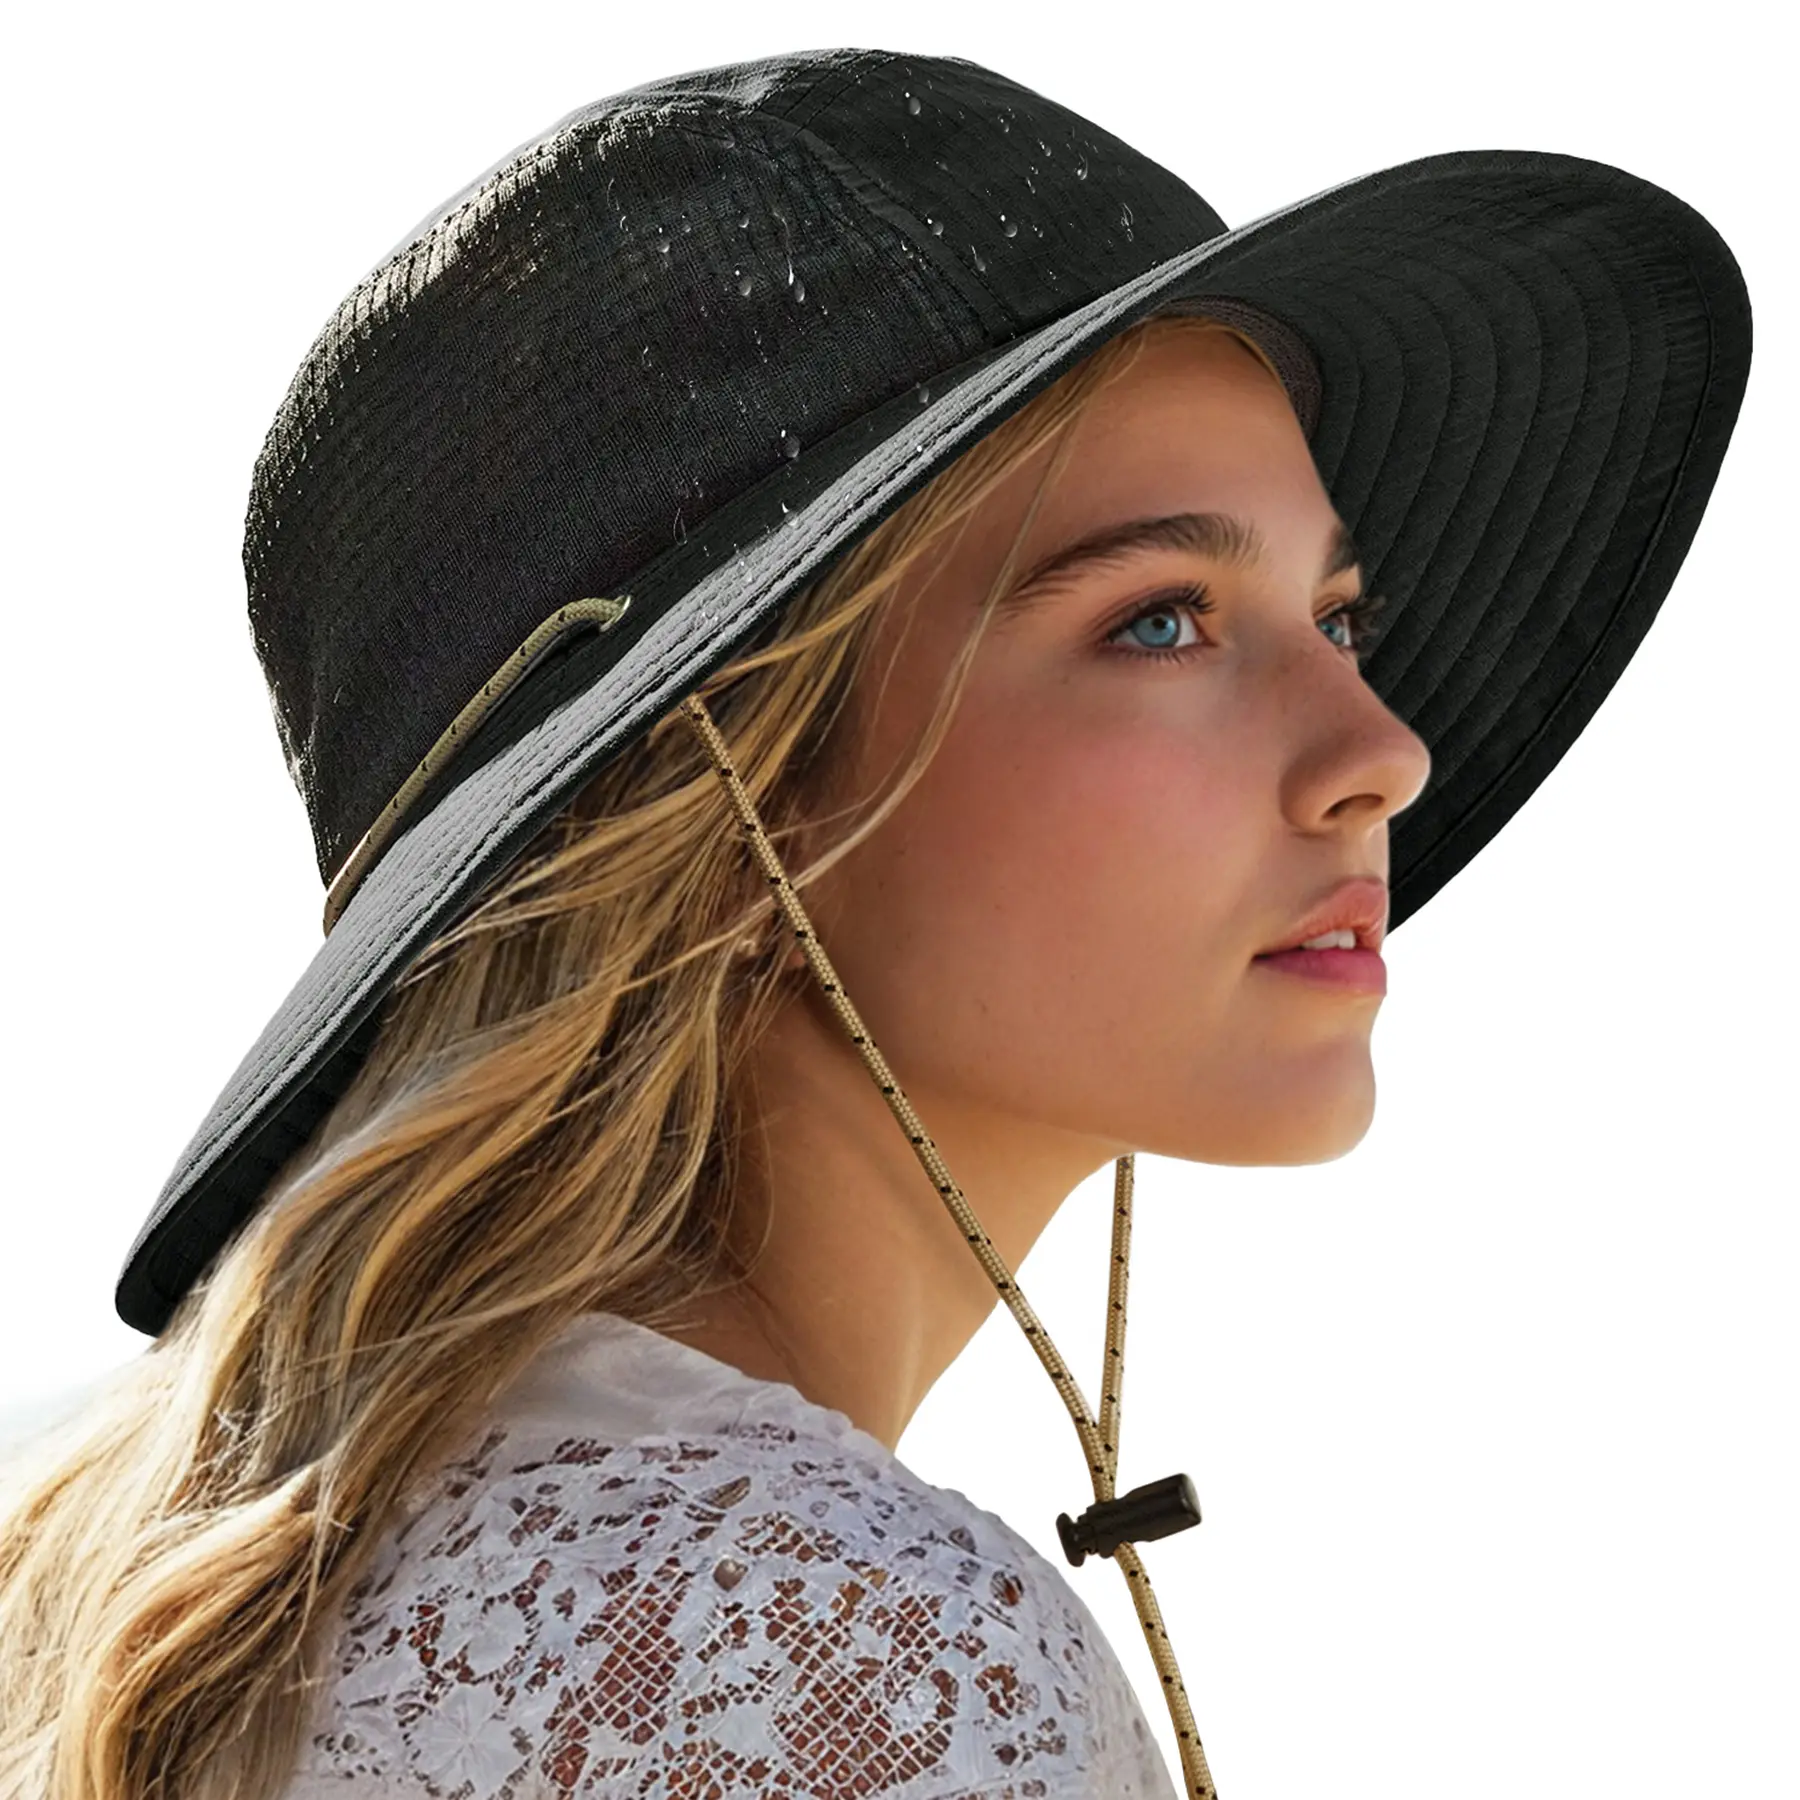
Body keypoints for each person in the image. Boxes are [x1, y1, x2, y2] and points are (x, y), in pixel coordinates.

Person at [0, 46, 1749, 1800]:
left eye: (1339, 621)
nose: (1383, 755)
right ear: (739, 802)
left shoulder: (179, 1591)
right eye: (1161, 621)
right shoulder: (847, 1660)